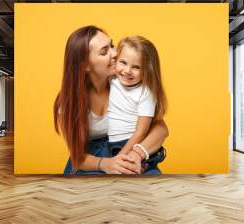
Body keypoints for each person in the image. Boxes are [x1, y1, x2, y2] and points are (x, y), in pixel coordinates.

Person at [53, 25, 168, 175]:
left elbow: (161, 129)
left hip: (130, 149)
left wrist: (134, 155)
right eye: (104, 51)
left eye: (112, 45)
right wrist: (106, 164)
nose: (115, 53)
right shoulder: (68, 103)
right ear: (85, 65)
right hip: (93, 161)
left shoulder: (125, 81)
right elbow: (77, 158)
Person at [107, 36, 167, 173]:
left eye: (136, 67)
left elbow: (141, 131)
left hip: (132, 143)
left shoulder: (145, 92)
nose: (127, 71)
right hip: (110, 144)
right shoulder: (112, 79)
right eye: (123, 62)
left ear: (147, 70)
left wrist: (122, 154)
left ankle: (147, 164)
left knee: (138, 173)